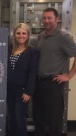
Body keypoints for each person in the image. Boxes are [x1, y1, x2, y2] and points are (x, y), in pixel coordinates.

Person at [33, 7, 76, 136]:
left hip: (53, 84)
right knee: (38, 119)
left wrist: (69, 75)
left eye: (49, 18)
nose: (46, 21)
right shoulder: (41, 36)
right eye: (44, 18)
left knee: (54, 122)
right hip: (38, 84)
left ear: (56, 19)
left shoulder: (63, 37)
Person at [7, 23, 38, 136]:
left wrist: (28, 91)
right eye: (18, 33)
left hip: (22, 91)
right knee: (12, 119)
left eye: (24, 33)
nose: (21, 36)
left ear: (28, 35)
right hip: (8, 90)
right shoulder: (9, 49)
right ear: (14, 35)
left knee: (20, 120)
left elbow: (32, 73)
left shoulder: (32, 52)